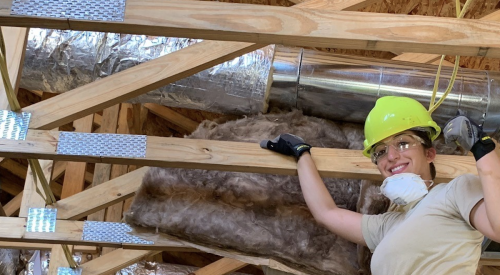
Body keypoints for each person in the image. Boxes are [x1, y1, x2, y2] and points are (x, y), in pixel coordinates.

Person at [260, 96, 500, 274]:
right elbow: (326, 213)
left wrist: (482, 148)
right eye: (381, 152)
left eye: (403, 143)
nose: (391, 156)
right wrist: (301, 154)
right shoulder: (387, 226)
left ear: (429, 154)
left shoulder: (455, 192)